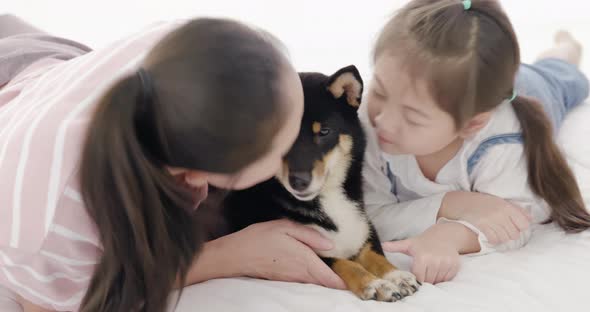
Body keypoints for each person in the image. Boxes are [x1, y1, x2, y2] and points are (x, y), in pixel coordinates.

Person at [0, 15, 345, 312]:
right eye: (285, 147)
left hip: (37, 56)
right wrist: (228, 256)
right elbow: (69, 300)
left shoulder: (200, 51)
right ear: (199, 173)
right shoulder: (45, 224)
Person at [360, 0, 590, 285]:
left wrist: (449, 236)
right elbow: (370, 215)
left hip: (534, 92)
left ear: (472, 125)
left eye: (413, 117)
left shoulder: (502, 143)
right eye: (379, 91)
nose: (383, 120)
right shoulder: (369, 121)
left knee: (563, 76)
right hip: (473, 88)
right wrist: (452, 203)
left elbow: (514, 224)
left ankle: (565, 51)